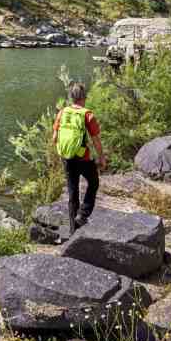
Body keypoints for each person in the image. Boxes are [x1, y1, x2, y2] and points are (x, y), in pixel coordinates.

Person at [51, 81, 106, 236]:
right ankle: (83, 214)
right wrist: (101, 157)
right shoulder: (87, 114)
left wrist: (64, 152)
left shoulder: (62, 113)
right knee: (93, 182)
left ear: (71, 97)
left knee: (72, 192)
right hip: (83, 158)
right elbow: (95, 140)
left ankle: (73, 231)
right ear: (84, 97)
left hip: (67, 158)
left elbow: (55, 138)